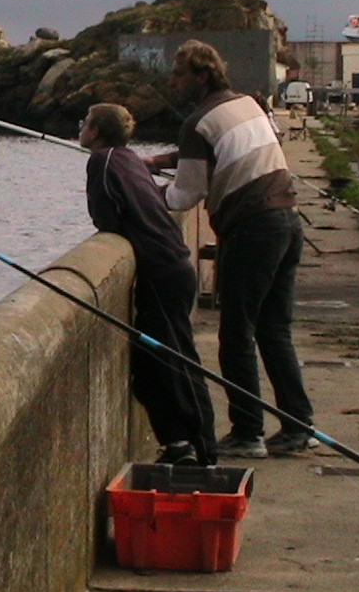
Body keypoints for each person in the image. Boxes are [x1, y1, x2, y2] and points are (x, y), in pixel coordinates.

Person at [143, 40, 314, 459]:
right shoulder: (247, 104)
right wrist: (159, 160)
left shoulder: (197, 122)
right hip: (287, 220)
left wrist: (143, 191)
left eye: (180, 73)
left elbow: (186, 195)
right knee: (274, 330)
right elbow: (226, 154)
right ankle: (298, 425)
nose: (174, 80)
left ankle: (247, 432)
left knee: (236, 334)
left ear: (201, 75)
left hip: (251, 229)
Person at [79, 102, 217, 466]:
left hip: (160, 271)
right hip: (174, 266)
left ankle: (195, 448)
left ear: (96, 132)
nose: (82, 127)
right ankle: (188, 445)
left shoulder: (102, 161)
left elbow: (106, 215)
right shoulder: (128, 159)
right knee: (164, 361)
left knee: (170, 363)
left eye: (86, 122)